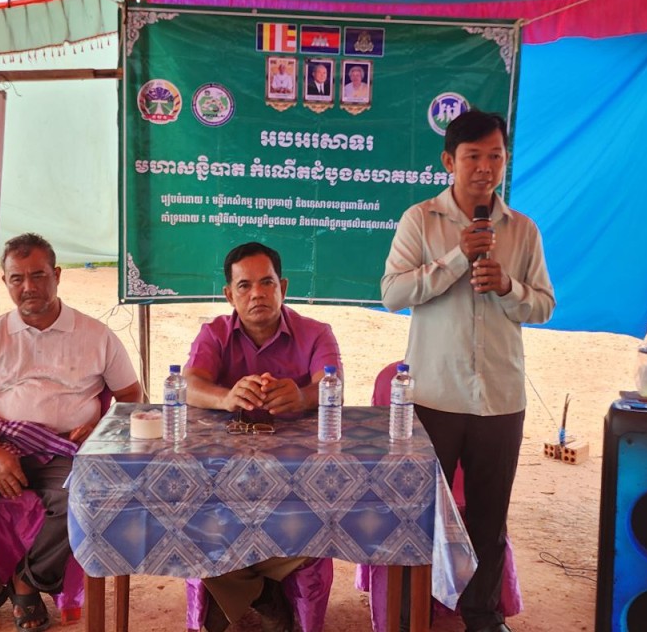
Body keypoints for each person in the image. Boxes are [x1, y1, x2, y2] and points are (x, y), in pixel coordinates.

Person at [381, 111, 555, 632]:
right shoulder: (420, 220)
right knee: (421, 515)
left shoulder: (522, 230)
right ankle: (412, 613)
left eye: (495, 156)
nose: (485, 167)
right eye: (473, 156)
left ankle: (482, 615)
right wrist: (458, 258)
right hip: (435, 396)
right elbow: (393, 293)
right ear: (449, 162)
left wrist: (507, 287)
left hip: (500, 398)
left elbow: (544, 305)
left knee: (488, 518)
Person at [0, 233, 143, 632]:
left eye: (38, 275)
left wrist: (99, 425)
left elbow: (131, 395)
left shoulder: (96, 335)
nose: (28, 286)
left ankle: (29, 581)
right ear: (5, 281)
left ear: (57, 275)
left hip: (66, 448)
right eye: (17, 278)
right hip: (2, 441)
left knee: (84, 498)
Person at [184, 241, 342, 632]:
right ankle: (261, 594)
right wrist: (226, 397)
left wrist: (302, 397)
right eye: (245, 285)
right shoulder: (214, 333)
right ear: (229, 295)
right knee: (195, 523)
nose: (257, 293)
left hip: (296, 476)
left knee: (316, 525)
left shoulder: (316, 333)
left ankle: (244, 591)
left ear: (282, 287)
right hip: (226, 475)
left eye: (267, 282)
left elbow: (333, 386)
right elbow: (188, 384)